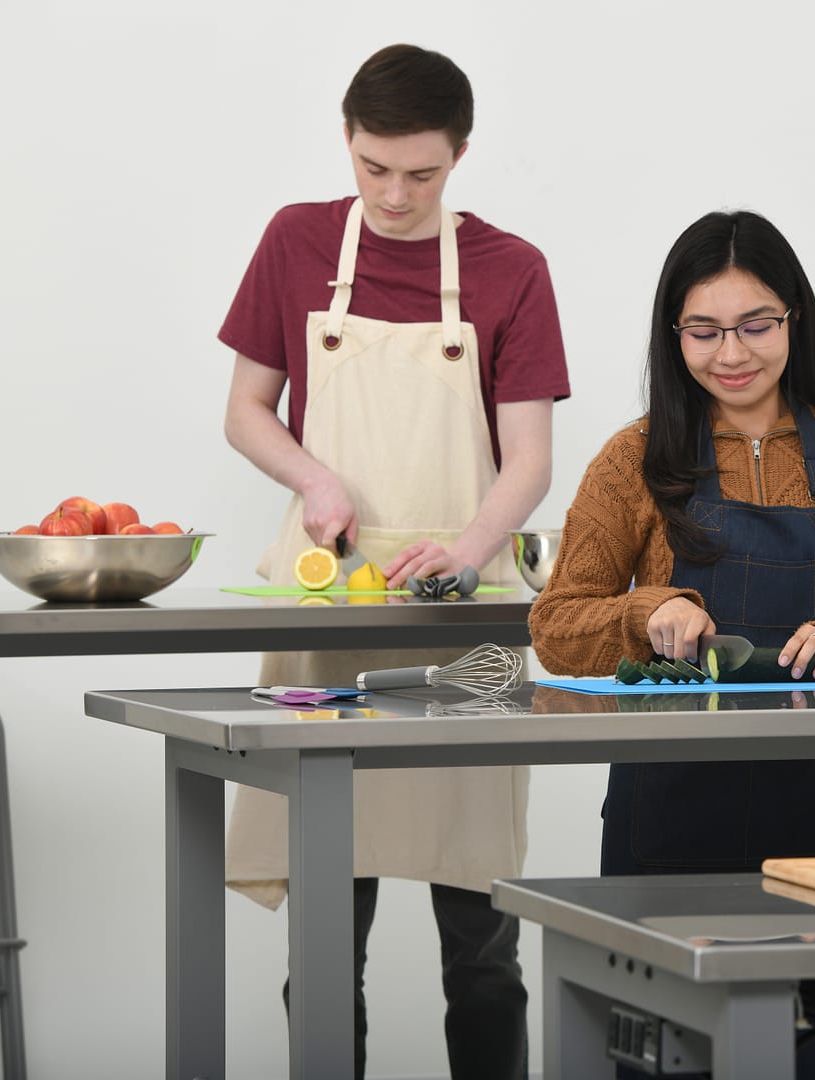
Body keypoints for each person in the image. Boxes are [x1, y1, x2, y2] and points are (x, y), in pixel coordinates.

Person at [217, 43, 569, 1078]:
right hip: (324, 614)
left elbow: (531, 457)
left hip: (464, 620)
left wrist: (466, 550)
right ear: (347, 140)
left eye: (422, 173)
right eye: (375, 169)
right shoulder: (294, 242)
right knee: (325, 922)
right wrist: (317, 482)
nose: (396, 194)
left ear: (460, 154)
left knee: (482, 929)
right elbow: (247, 410)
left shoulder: (512, 269)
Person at [528, 209, 815, 1078]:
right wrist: (650, 611)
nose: (731, 353)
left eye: (756, 325)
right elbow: (557, 624)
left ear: (796, 318)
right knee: (663, 1050)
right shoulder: (633, 456)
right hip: (668, 810)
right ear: (672, 333)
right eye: (704, 331)